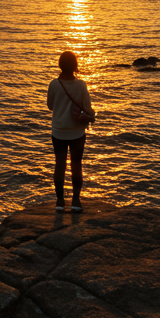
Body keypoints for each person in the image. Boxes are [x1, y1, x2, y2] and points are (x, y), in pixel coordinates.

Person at [47, 50, 93, 213]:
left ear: (60, 65)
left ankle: (60, 201)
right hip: (77, 133)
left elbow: (50, 106)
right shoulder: (81, 85)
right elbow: (87, 108)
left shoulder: (54, 84)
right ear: (75, 66)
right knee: (76, 165)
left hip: (58, 131)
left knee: (59, 165)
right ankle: (75, 200)